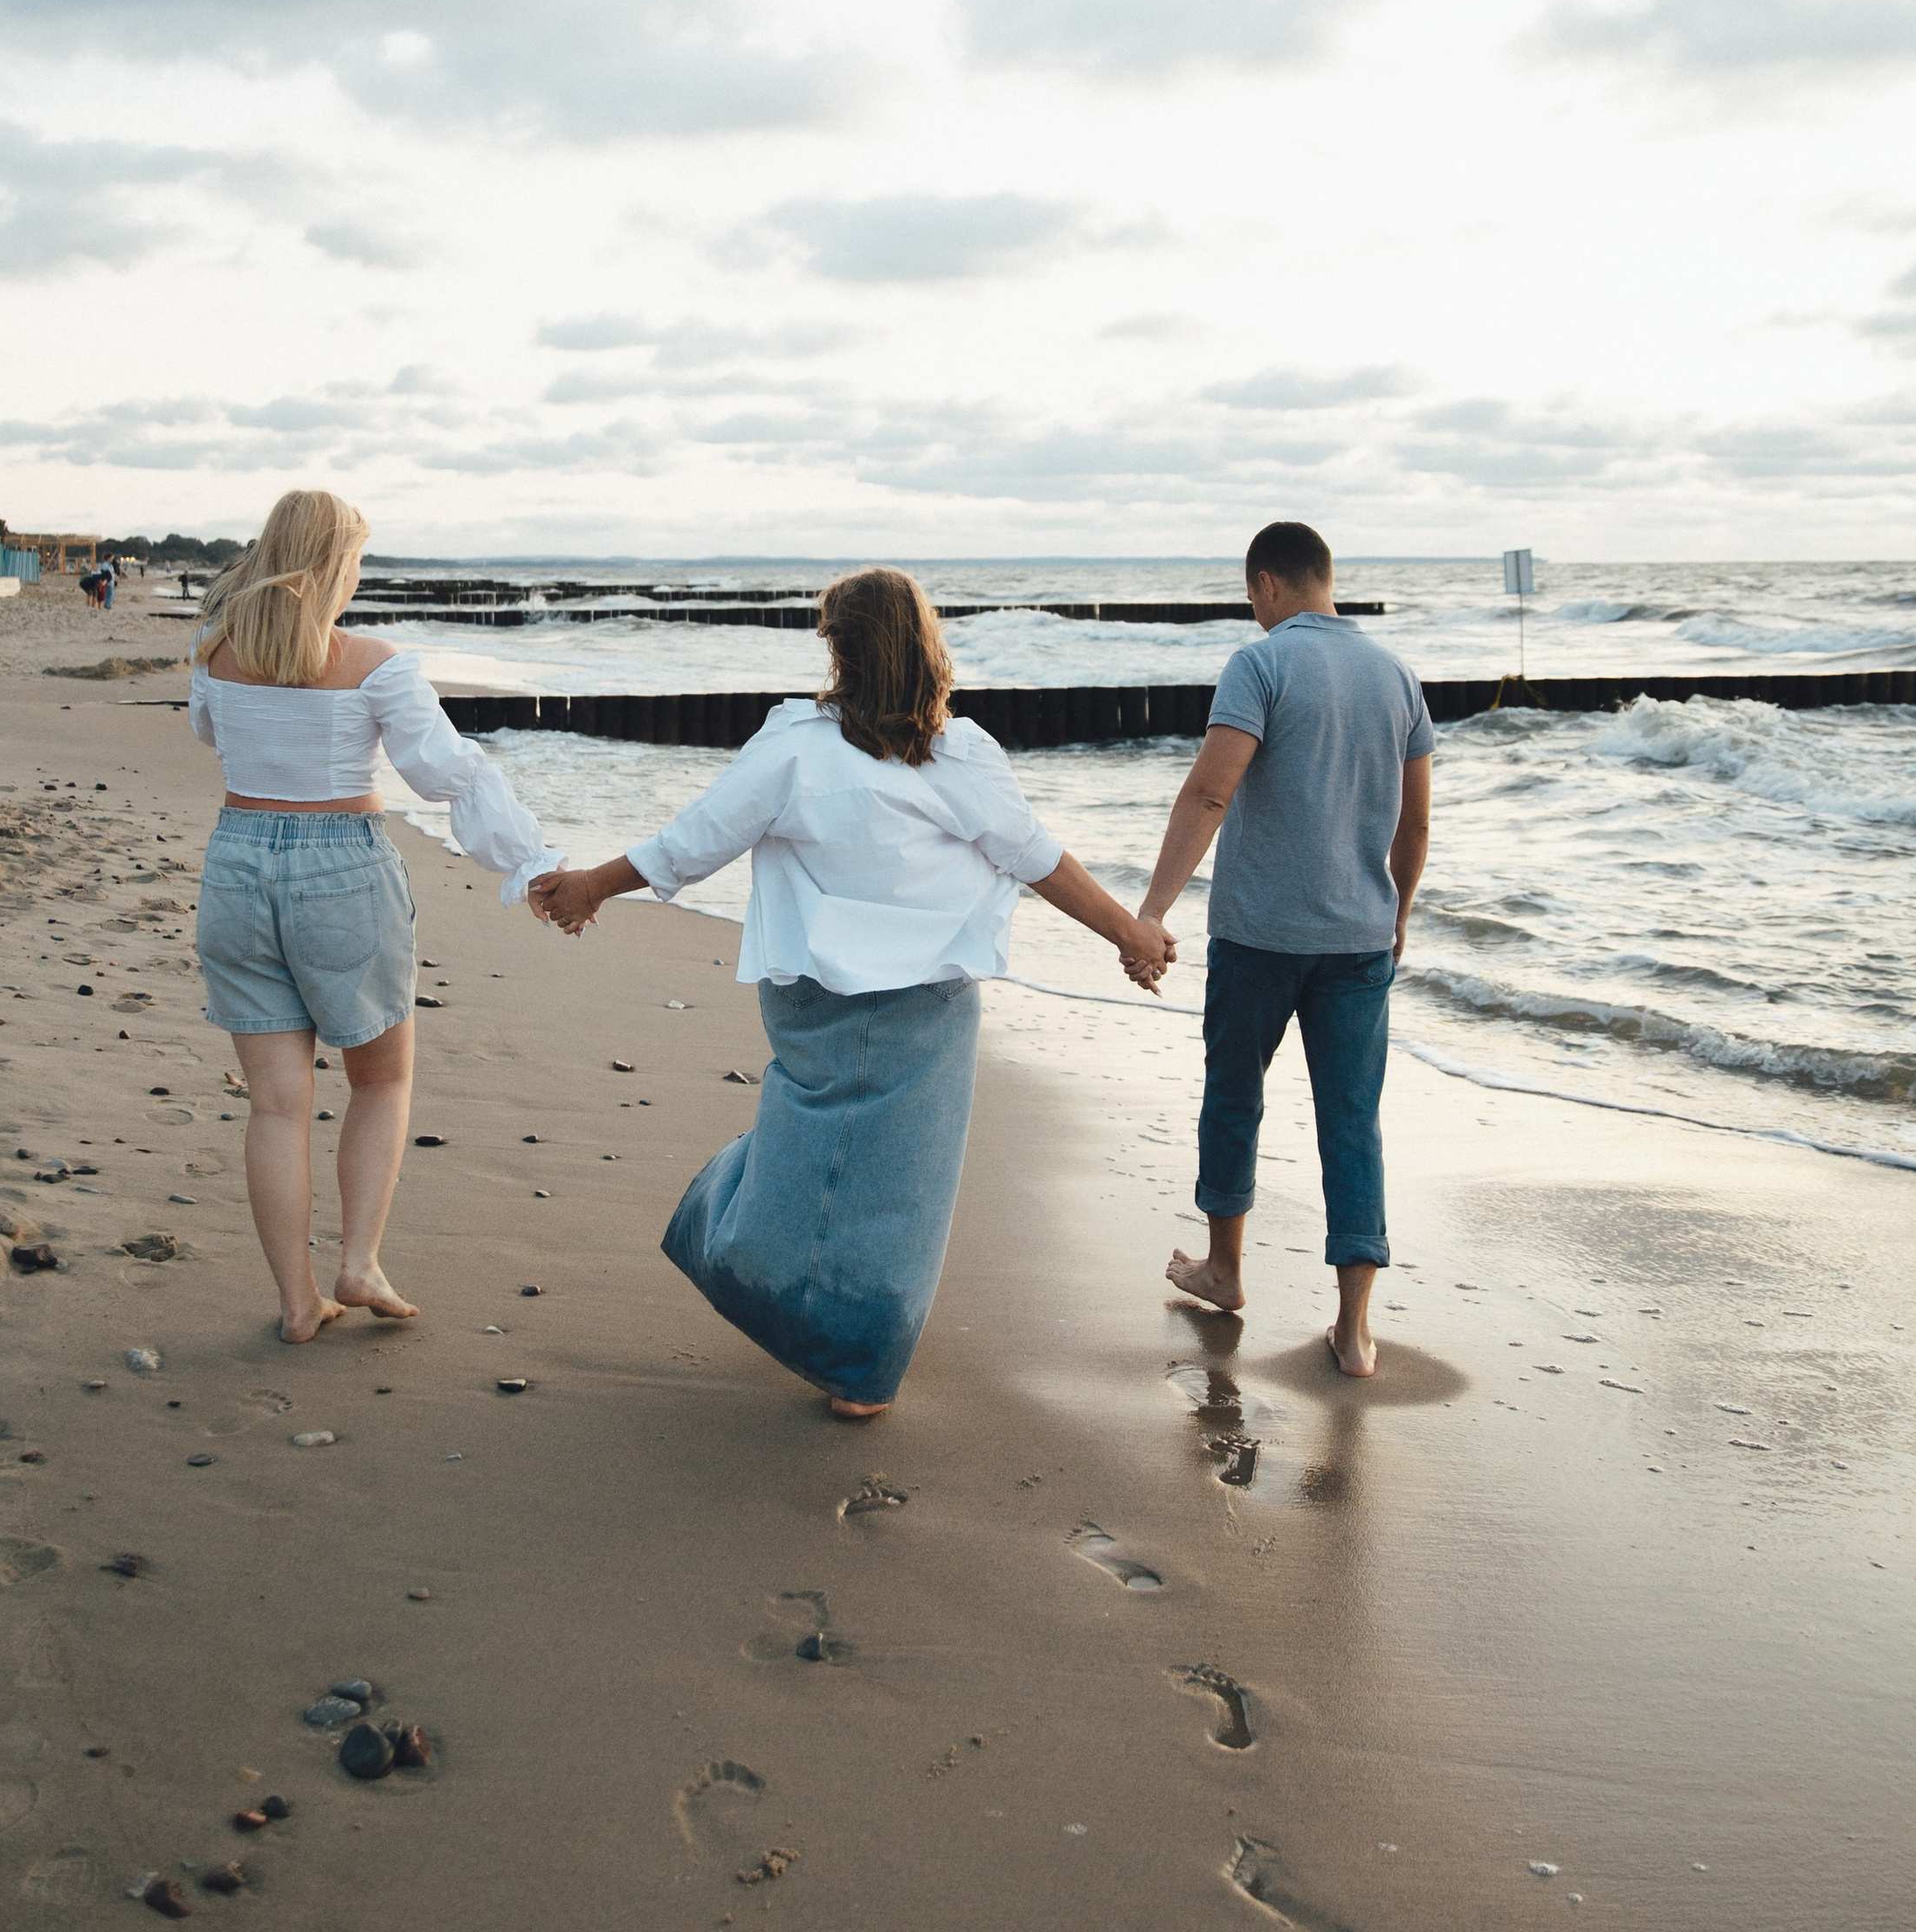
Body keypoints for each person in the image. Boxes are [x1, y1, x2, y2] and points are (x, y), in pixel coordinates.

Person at [531, 567, 1168, 1419]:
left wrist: (592, 888)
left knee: (821, 1152)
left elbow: (697, 839)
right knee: (898, 1192)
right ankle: (852, 1354)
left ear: (837, 646)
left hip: (822, 993)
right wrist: (1128, 934)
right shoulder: (959, 755)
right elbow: (1038, 858)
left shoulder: (798, 746)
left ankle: (765, 1272)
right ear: (925, 645)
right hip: (919, 1004)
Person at [188, 486, 562, 1342]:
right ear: (331, 566)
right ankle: (358, 1262)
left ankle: (296, 1301)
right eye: (354, 561)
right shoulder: (374, 663)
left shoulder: (215, 651)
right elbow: (449, 774)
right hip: (340, 871)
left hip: (237, 866)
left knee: (277, 1106)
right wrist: (532, 864)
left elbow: (208, 735)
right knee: (381, 1078)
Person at [1133, 521, 1432, 1378]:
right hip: (1357, 942)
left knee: (1233, 1096)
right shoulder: (1396, 674)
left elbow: (1210, 789)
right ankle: (1354, 1329)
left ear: (1265, 584)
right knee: (1351, 1121)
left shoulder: (1259, 664)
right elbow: (1414, 823)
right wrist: (1398, 912)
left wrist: (1152, 908)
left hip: (1258, 936)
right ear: (1323, 580)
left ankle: (1224, 1271)